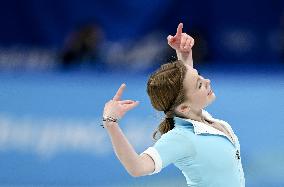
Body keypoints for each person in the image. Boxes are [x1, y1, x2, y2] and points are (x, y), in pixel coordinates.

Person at [102, 23, 245, 187]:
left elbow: (185, 89)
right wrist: (110, 123)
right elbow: (137, 168)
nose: (207, 81)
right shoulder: (182, 138)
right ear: (184, 108)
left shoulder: (202, 119)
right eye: (200, 84)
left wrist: (183, 54)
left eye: (201, 76)